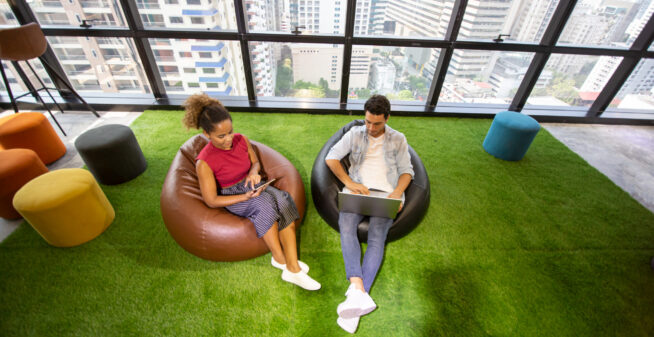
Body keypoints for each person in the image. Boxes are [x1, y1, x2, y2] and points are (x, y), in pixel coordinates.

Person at [182, 93, 320, 291]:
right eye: (221, 136)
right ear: (206, 134)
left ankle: (291, 265)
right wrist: (244, 196)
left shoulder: (241, 140)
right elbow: (211, 200)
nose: (229, 139)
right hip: (232, 195)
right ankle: (283, 261)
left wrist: (254, 173)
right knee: (264, 205)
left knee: (283, 199)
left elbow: (254, 162)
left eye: (230, 131)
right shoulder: (204, 162)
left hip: (250, 185)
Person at [325, 95, 414, 333]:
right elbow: (331, 157)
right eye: (367, 122)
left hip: (386, 193)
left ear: (387, 118)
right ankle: (358, 289)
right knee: (346, 227)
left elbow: (407, 171)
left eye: (377, 123)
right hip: (358, 190)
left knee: (377, 236)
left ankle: (356, 296)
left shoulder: (398, 139)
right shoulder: (355, 133)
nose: (371, 128)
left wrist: (396, 193)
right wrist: (349, 183)